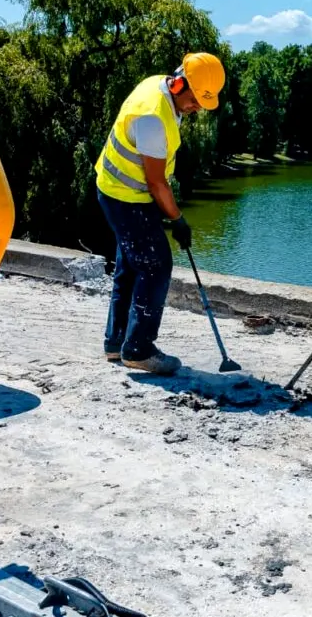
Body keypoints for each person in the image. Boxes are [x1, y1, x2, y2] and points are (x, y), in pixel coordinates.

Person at [94, 52, 225, 375]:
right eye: (194, 100)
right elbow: (156, 182)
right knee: (156, 266)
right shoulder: (153, 116)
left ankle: (117, 343)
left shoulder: (160, 88)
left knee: (131, 264)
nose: (196, 108)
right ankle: (139, 350)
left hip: (119, 190)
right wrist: (177, 219)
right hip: (127, 197)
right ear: (179, 84)